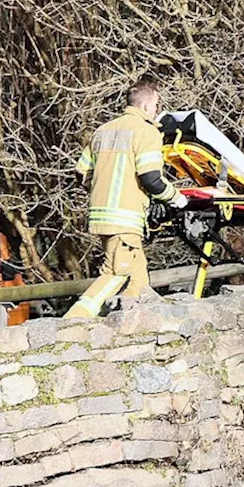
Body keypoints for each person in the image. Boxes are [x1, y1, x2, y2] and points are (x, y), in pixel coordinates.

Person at [64, 78, 186, 318]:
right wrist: (176, 198)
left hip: (101, 215)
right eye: (155, 106)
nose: (156, 111)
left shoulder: (102, 131)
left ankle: (139, 326)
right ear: (146, 107)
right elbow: (151, 178)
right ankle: (72, 322)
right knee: (115, 273)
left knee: (138, 280)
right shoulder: (146, 131)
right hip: (125, 216)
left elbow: (81, 173)